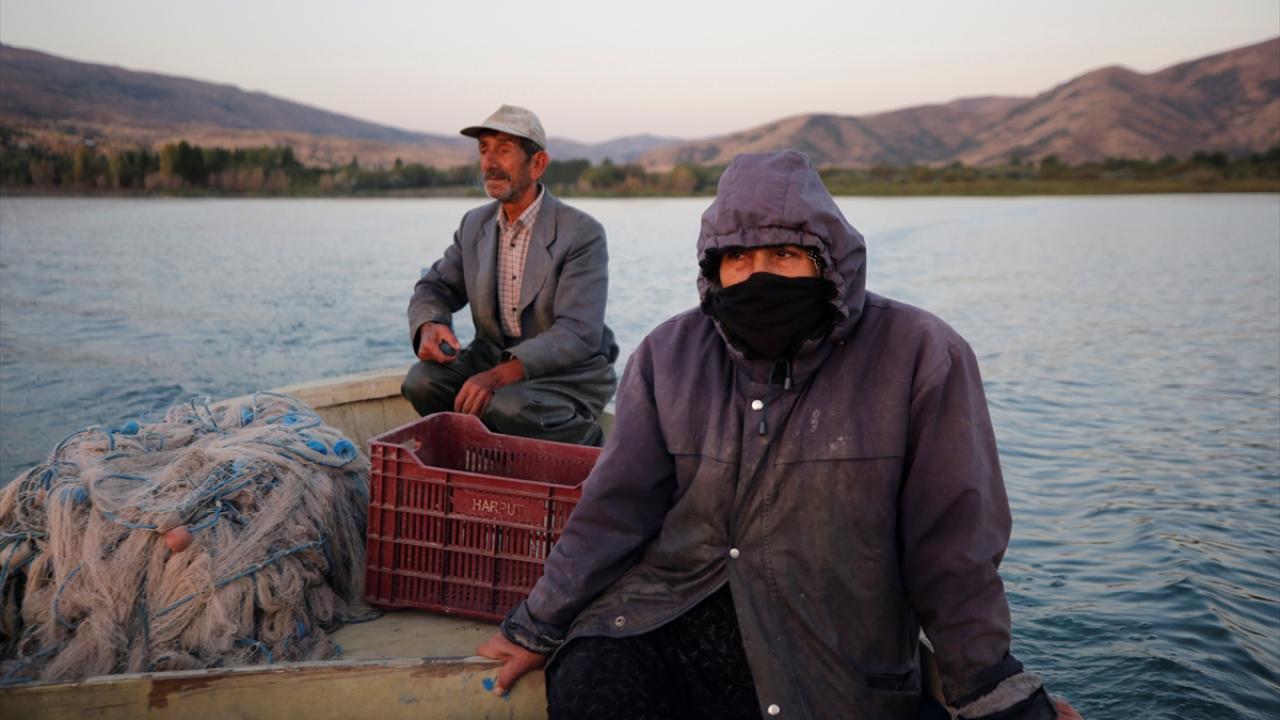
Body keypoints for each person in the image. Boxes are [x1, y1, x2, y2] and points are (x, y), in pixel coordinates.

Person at [477, 150, 1083, 719]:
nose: (758, 276)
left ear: (828, 262)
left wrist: (994, 690)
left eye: (785, 254)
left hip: (831, 648)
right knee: (590, 682)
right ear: (713, 269)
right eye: (738, 258)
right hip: (667, 613)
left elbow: (953, 552)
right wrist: (537, 624)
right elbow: (614, 509)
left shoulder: (921, 354)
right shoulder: (669, 354)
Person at [402, 104, 618, 446]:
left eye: (504, 150)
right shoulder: (474, 224)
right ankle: (482, 455)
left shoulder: (582, 233)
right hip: (491, 357)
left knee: (509, 405)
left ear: (537, 164)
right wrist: (429, 324)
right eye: (484, 149)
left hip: (568, 370)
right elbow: (434, 287)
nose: (489, 163)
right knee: (421, 383)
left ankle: (590, 445)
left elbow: (578, 331)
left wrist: (499, 376)